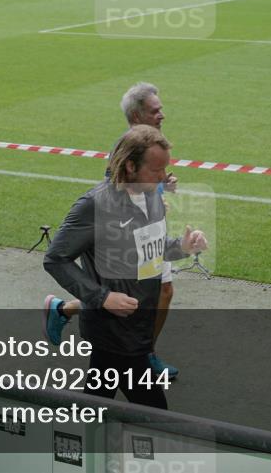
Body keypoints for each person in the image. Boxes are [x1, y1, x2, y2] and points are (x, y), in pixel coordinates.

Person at [43, 125, 207, 409]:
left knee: (98, 404)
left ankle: (76, 448)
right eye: (156, 170)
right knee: (154, 413)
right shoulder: (94, 205)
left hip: (138, 325)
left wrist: (182, 246)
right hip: (115, 331)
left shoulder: (151, 195)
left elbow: (149, 247)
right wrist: (102, 298)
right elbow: (55, 259)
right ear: (130, 166)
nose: (164, 178)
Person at [44, 82, 181, 378]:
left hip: (147, 230)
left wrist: (159, 191)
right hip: (132, 235)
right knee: (152, 293)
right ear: (137, 115)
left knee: (145, 295)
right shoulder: (127, 151)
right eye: (155, 111)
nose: (162, 115)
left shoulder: (151, 145)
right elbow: (117, 192)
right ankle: (145, 355)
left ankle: (66, 310)